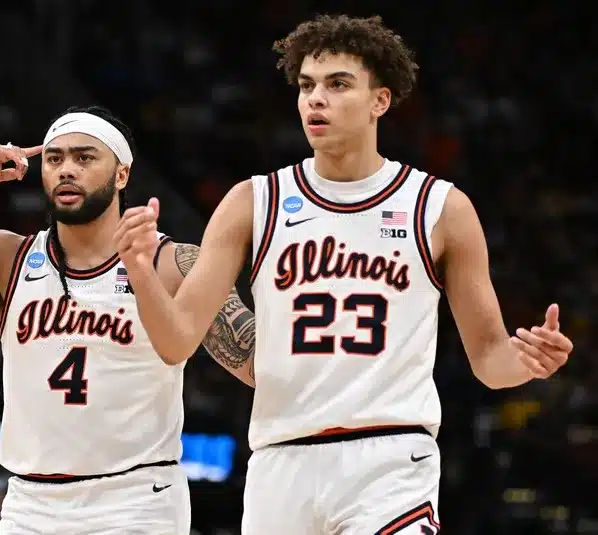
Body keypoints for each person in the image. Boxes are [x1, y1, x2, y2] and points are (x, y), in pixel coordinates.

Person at [113, 14, 574, 535]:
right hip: (281, 459)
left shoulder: (439, 207)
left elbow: (491, 361)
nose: (315, 99)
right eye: (307, 85)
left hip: (391, 456)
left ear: (380, 101)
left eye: (337, 85)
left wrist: (527, 362)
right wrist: (141, 273)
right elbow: (176, 342)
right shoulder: (252, 202)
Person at [0, 105, 257, 534]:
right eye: (55, 158)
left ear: (121, 175)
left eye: (84, 158)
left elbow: (257, 364)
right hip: (30, 504)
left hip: (135, 500)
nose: (67, 169)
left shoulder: (171, 262)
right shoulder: (6, 257)